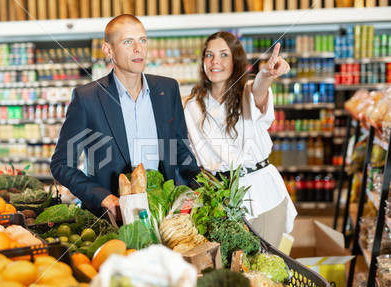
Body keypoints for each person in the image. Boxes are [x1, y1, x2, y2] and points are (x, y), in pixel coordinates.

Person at [51, 14, 201, 220]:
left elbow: (179, 148)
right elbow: (61, 164)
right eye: (127, 41)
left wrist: (197, 187)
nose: (138, 48)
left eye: (142, 40)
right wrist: (103, 198)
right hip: (111, 219)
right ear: (108, 50)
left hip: (163, 215)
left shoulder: (167, 89)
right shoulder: (87, 98)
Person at [184, 31, 297, 247]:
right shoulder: (193, 106)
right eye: (209, 55)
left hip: (263, 197)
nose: (215, 61)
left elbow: (259, 88)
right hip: (220, 201)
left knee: (267, 272)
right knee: (233, 273)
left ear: (236, 61)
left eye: (223, 55)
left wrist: (267, 73)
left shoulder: (247, 92)